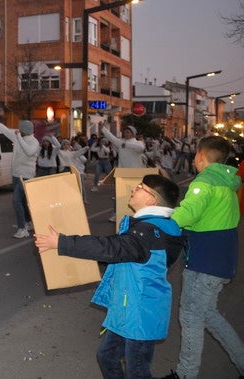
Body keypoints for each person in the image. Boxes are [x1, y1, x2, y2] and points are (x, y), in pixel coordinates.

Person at [35, 174, 184, 379]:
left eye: (141, 187)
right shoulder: (154, 227)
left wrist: (62, 243)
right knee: (107, 357)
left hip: (139, 313)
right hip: (128, 308)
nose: (134, 188)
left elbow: (110, 248)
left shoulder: (148, 232)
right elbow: (122, 255)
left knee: (137, 371)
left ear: (152, 200)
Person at [165, 135, 244, 379]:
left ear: (200, 156)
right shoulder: (227, 183)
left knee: (190, 315)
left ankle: (185, 374)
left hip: (204, 262)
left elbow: (187, 214)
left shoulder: (204, 182)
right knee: (208, 314)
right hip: (220, 260)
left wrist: (158, 219)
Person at [0, 113, 40, 238]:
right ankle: (28, 223)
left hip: (26, 176)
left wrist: (19, 137)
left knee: (16, 201)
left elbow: (29, 151)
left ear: (25, 131)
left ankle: (23, 229)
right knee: (23, 201)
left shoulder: (34, 142)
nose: (18, 130)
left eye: (21, 129)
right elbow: (4, 129)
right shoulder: (18, 137)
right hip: (16, 175)